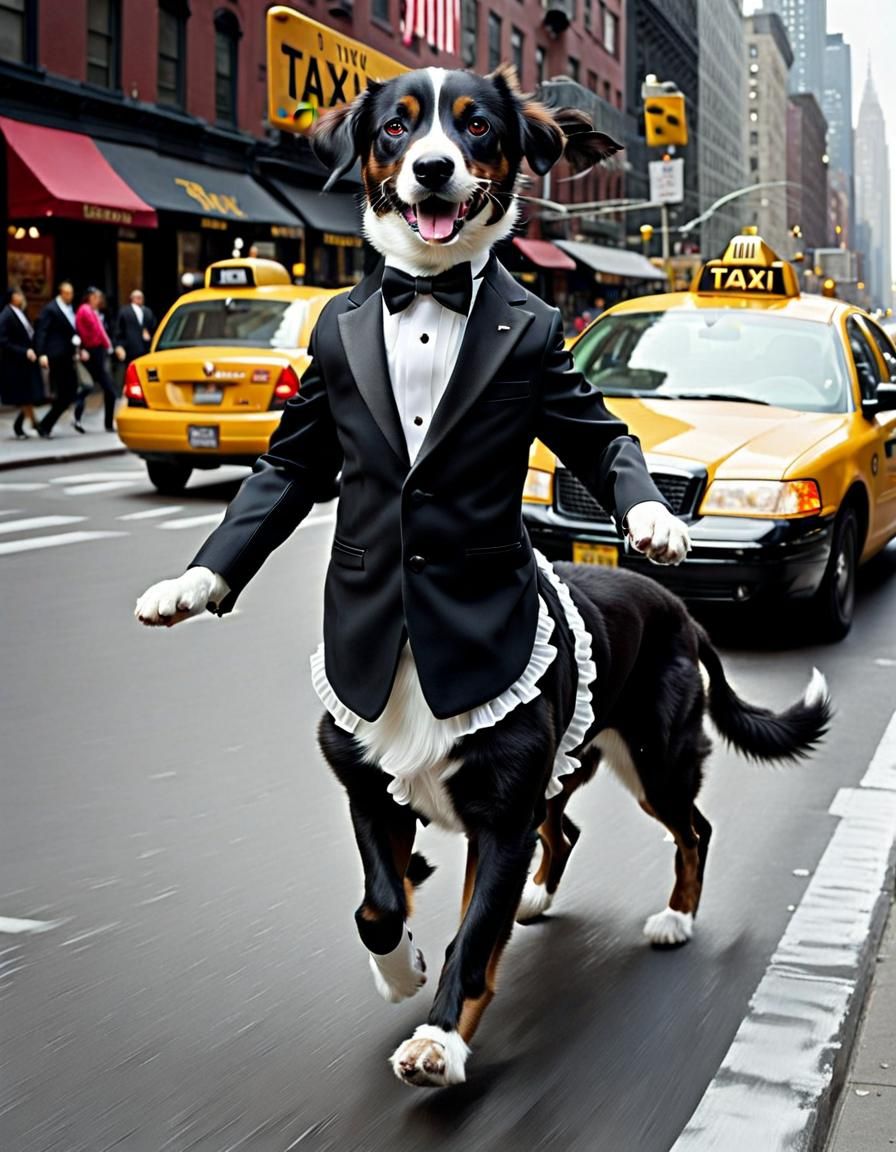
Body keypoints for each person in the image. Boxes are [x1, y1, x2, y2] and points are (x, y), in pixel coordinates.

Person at [35, 281, 85, 438]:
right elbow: (42, 331)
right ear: (61, 293)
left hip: (67, 356)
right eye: (67, 293)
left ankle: (43, 424)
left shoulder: (70, 309)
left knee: (68, 393)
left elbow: (71, 330)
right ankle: (43, 425)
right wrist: (41, 353)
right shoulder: (51, 309)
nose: (70, 296)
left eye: (72, 293)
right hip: (56, 356)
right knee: (65, 394)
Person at [0, 286, 43, 438]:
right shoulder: (6, 315)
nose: (22, 296)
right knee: (25, 396)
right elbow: (3, 341)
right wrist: (24, 351)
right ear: (12, 297)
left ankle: (21, 425)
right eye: (19, 294)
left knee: (28, 395)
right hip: (15, 363)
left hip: (26, 361)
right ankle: (35, 425)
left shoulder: (21, 312)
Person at [74, 286, 116, 432]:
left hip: (96, 352)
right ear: (89, 297)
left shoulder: (92, 311)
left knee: (91, 388)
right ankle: (105, 423)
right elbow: (96, 330)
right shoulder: (85, 310)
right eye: (96, 297)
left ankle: (105, 423)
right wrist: (108, 345)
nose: (98, 300)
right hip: (91, 352)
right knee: (100, 388)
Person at [114, 289, 157, 367]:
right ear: (132, 298)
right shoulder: (124, 311)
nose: (139, 299)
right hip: (130, 347)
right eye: (137, 297)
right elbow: (119, 329)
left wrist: (148, 332)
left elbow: (153, 325)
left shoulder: (147, 311)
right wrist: (119, 345)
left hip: (146, 347)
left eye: (141, 297)